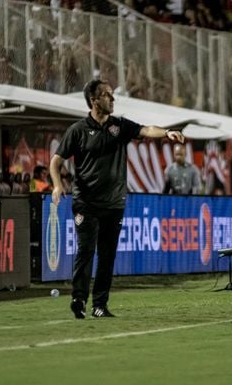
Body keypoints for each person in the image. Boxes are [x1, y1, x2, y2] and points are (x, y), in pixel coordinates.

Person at [49, 79, 184, 319]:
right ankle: (78, 299)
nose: (113, 99)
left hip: (113, 204)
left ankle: (100, 305)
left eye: (112, 95)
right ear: (94, 101)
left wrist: (167, 132)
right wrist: (58, 186)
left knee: (107, 255)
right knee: (86, 250)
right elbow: (56, 161)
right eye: (107, 95)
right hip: (86, 203)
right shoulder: (78, 130)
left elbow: (146, 130)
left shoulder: (119, 126)